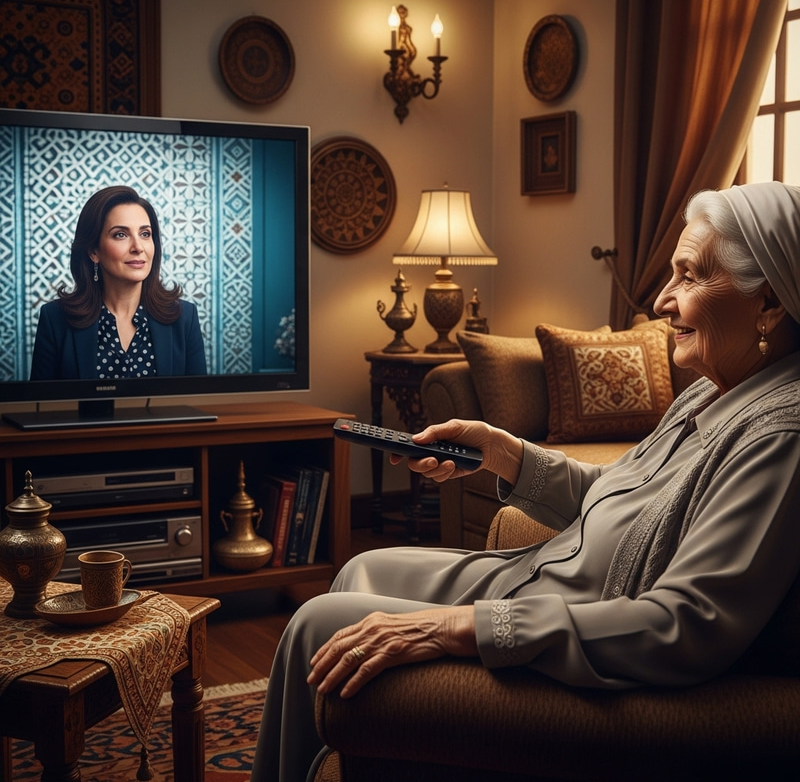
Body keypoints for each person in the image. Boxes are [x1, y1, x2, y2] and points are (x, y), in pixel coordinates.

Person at [251, 182, 800, 782]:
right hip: (541, 573)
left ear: (768, 304)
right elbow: (617, 490)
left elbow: (687, 623)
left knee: (315, 622)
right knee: (364, 570)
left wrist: (463, 626)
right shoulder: (712, 392)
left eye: (690, 277)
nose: (663, 300)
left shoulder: (779, 437)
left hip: (575, 617)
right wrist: (504, 452)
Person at [30, 186, 206, 380]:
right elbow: (42, 407)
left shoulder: (184, 318)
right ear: (93, 251)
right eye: (120, 234)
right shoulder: (55, 319)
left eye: (145, 234)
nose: (138, 247)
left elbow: (197, 404)